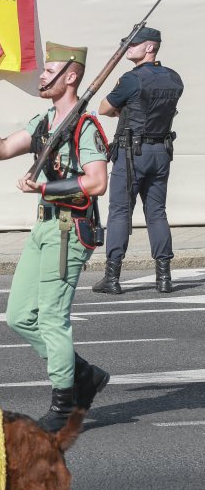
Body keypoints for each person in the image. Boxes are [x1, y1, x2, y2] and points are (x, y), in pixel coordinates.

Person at [0, 42, 109, 432]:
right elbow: (3, 148)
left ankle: (64, 408)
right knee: (18, 316)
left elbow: (96, 182)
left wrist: (44, 189)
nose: (42, 77)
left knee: (51, 318)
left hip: (69, 231)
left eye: (50, 71)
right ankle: (82, 374)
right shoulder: (44, 122)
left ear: (71, 77)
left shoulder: (85, 126)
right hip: (43, 227)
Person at [92, 27, 184, 296]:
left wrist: (124, 110)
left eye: (133, 44)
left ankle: (112, 277)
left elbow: (104, 108)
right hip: (161, 152)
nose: (127, 48)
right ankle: (164, 278)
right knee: (157, 212)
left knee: (120, 211)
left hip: (133, 154)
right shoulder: (174, 78)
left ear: (149, 48)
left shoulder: (131, 80)